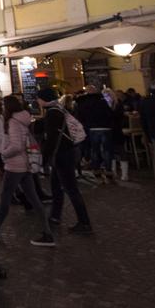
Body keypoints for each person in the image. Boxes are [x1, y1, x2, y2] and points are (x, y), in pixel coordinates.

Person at [0, 96, 54, 247]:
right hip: (25, 164)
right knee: (33, 198)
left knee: (5, 198)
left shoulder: (12, 122)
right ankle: (47, 232)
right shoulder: (23, 118)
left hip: (15, 165)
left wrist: (3, 153)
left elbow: (16, 145)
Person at [39, 88, 92, 234]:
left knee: (71, 189)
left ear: (44, 99)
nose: (37, 101)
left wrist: (43, 160)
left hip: (62, 155)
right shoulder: (59, 110)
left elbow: (51, 139)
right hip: (66, 152)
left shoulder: (52, 114)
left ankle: (84, 222)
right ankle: (55, 215)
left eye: (39, 98)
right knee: (56, 186)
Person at [76, 85, 115, 183]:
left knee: (95, 150)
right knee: (107, 151)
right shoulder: (102, 101)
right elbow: (109, 114)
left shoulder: (83, 102)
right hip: (105, 127)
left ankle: (96, 171)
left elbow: (80, 116)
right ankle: (108, 171)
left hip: (92, 129)